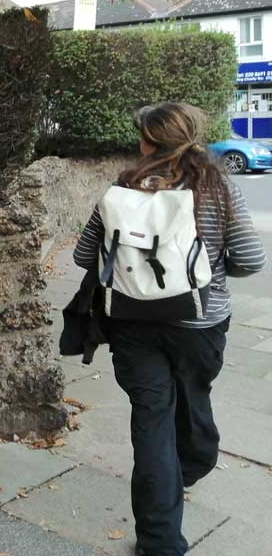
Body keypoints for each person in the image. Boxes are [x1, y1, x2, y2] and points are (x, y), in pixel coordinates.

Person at [73, 102, 266, 556]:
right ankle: (192, 465)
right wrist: (207, 271)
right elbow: (251, 259)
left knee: (152, 421)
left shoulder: (122, 189)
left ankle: (160, 542)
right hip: (200, 322)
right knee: (194, 397)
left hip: (133, 324)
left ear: (148, 143)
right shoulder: (217, 187)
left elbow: (84, 256)